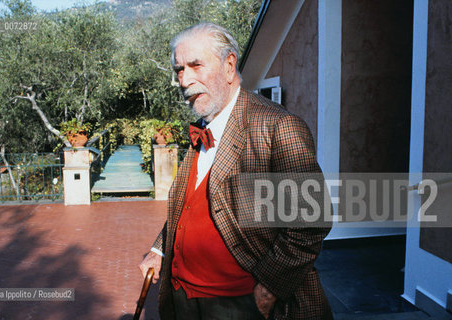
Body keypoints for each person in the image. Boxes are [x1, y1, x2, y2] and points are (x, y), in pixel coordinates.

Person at [139, 22, 333, 320]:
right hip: (183, 300)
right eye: (179, 69)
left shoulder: (278, 126)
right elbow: (188, 206)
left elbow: (311, 222)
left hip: (239, 304)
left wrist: (270, 287)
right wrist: (159, 251)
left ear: (229, 66)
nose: (183, 80)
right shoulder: (201, 130)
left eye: (195, 65)